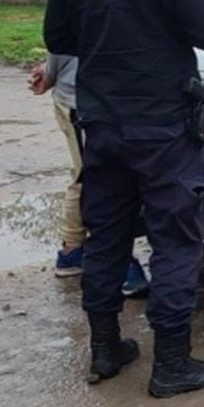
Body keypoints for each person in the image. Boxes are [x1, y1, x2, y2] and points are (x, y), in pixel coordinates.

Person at [44, 0, 204, 397]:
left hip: (101, 121)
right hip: (163, 122)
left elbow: (57, 39)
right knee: (176, 237)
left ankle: (105, 348)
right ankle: (171, 362)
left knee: (106, 235)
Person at [28, 55, 150, 296]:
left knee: (89, 175)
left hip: (108, 97)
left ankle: (74, 251)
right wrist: (52, 71)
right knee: (95, 179)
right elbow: (63, 39)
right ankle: (111, 260)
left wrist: (51, 70)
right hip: (85, 101)